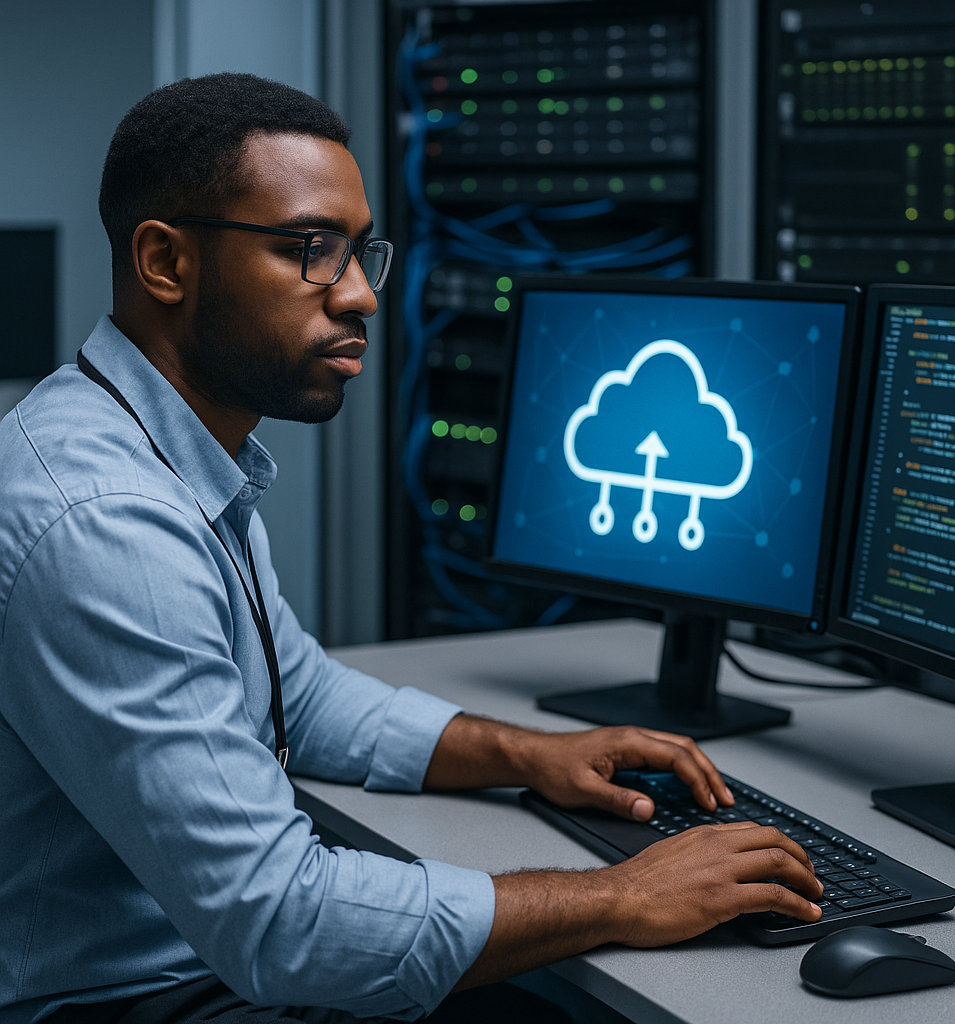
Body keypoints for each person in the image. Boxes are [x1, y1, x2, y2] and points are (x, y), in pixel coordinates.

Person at [0, 73, 822, 1024]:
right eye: (310, 250)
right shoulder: (108, 521)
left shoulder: (162, 448)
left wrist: (529, 754)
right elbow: (280, 924)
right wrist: (623, 895)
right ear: (165, 262)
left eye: (360, 254)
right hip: (128, 1002)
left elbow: (295, 696)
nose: (360, 297)